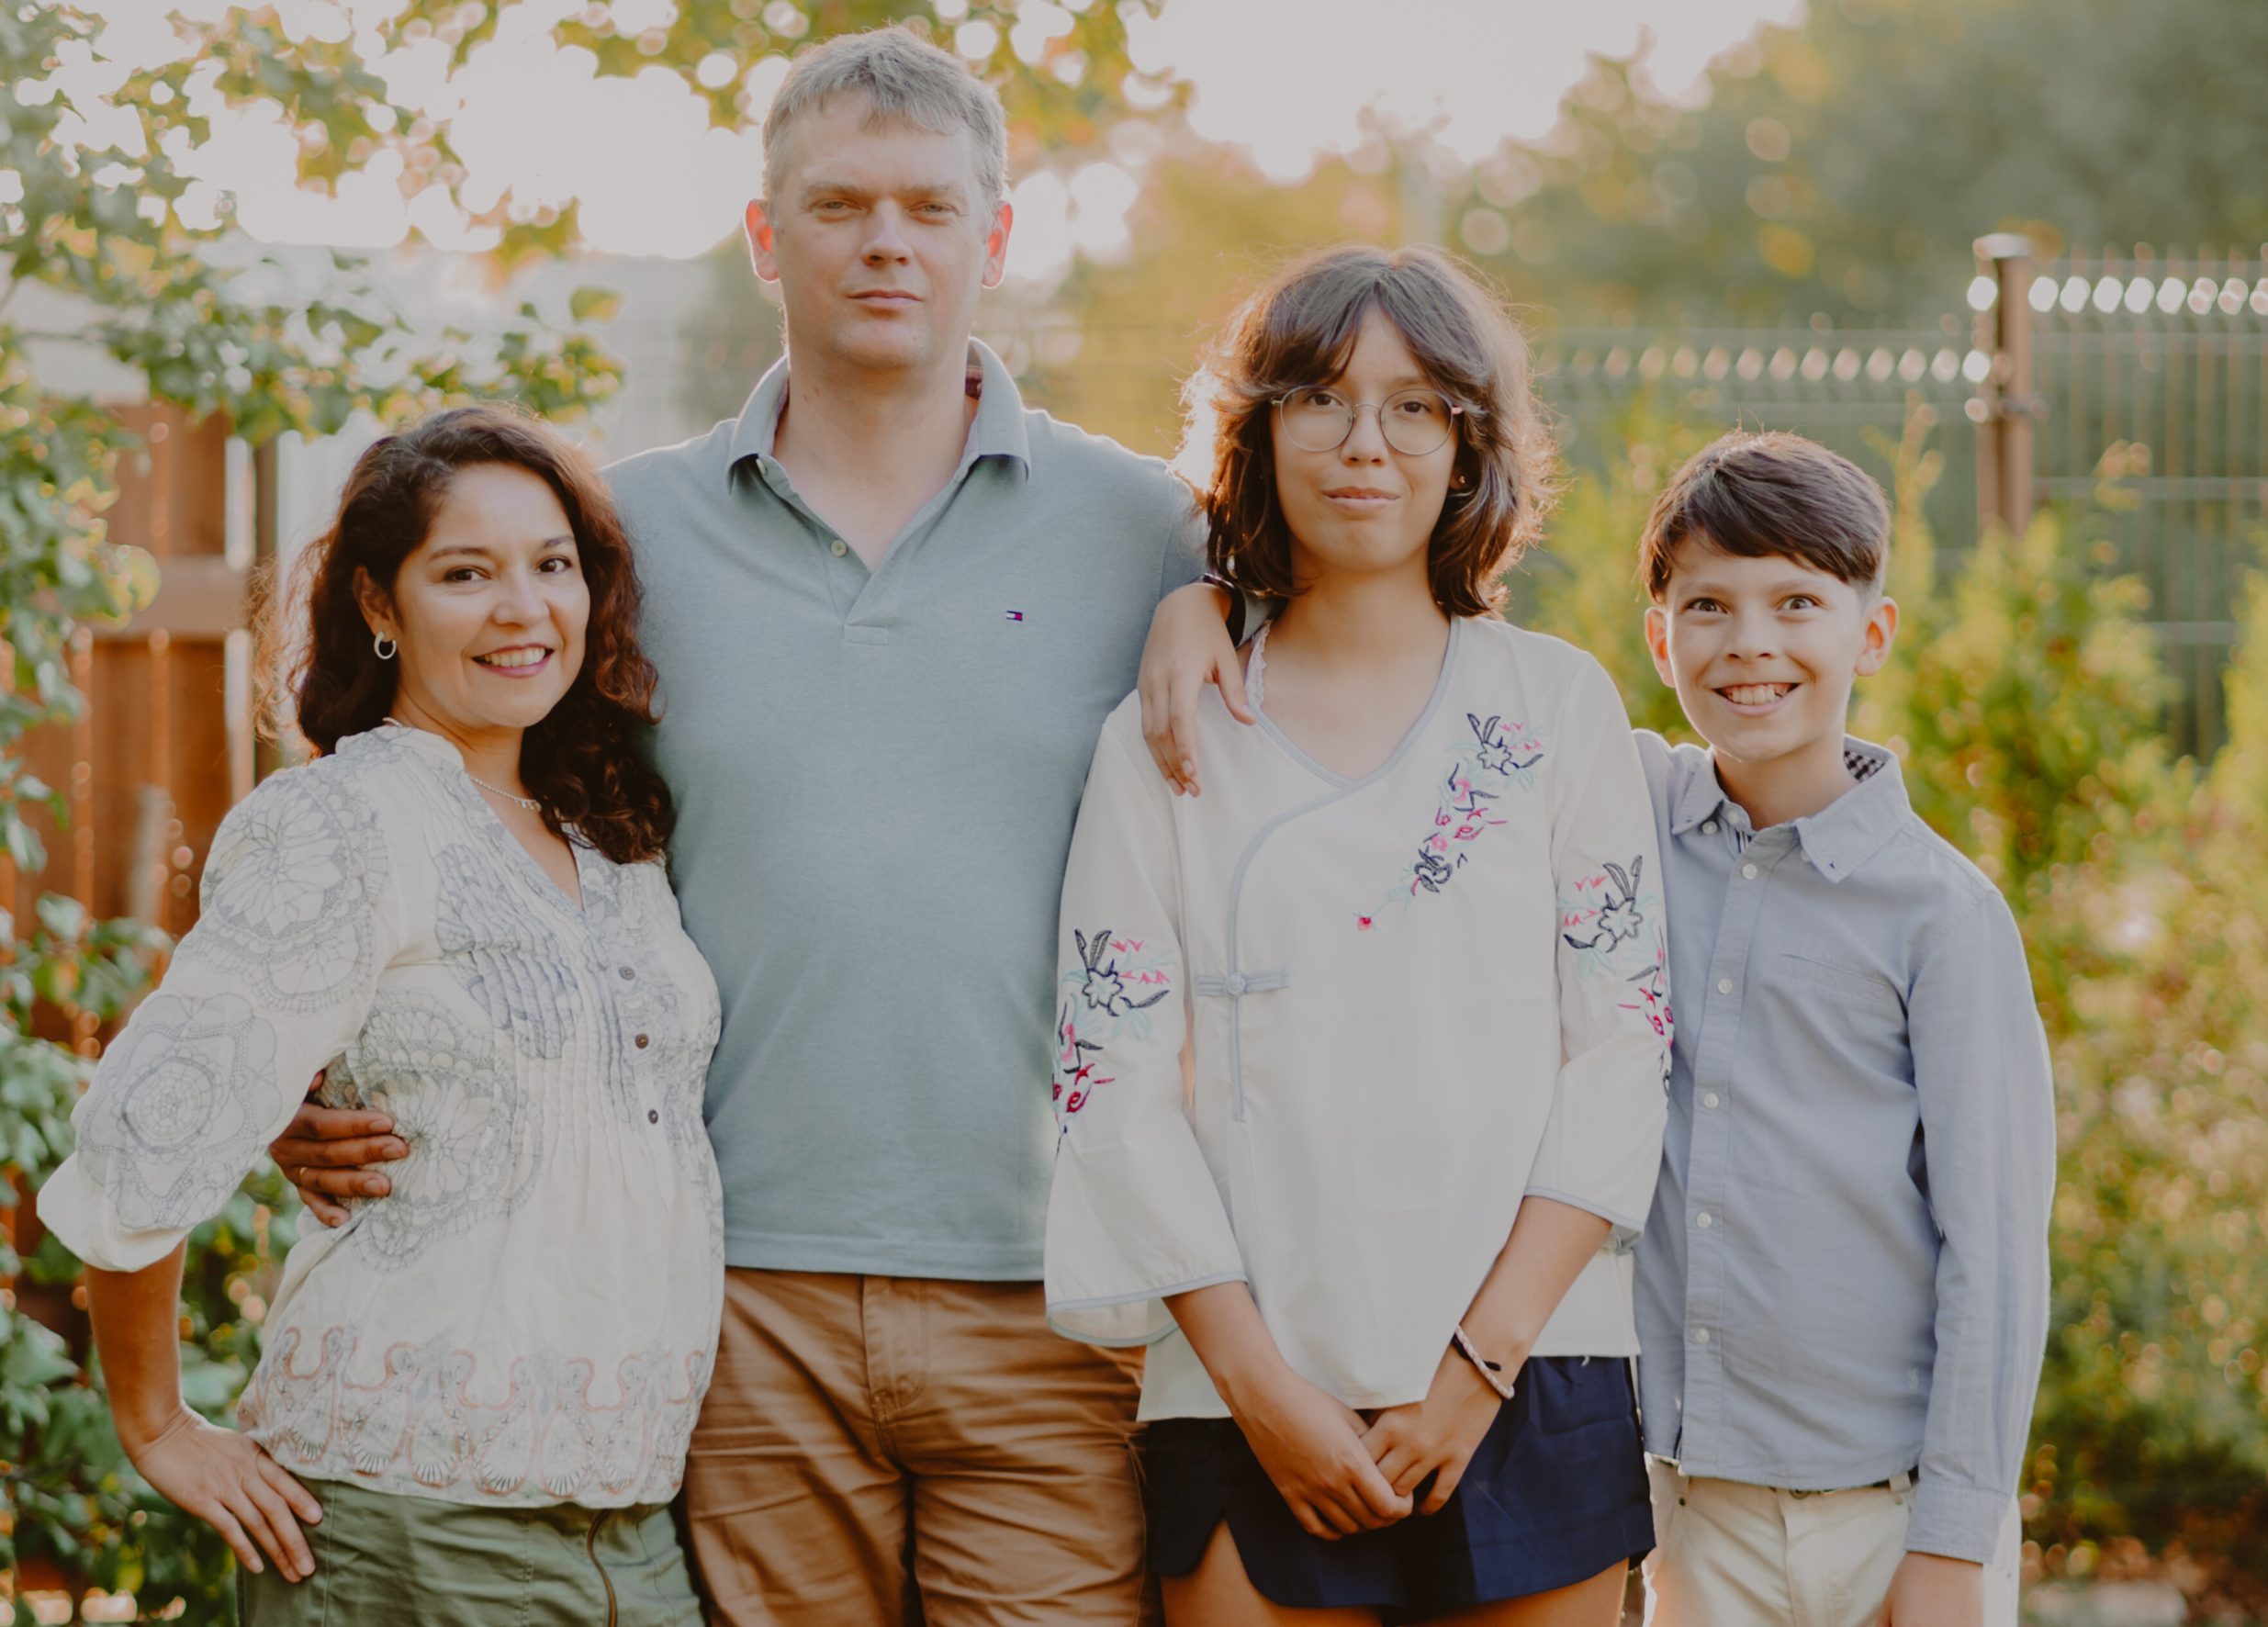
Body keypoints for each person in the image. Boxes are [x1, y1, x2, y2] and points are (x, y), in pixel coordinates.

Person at [271, 26, 1255, 1624]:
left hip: (1059, 1288)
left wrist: (1215, 597)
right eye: (839, 204)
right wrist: (317, 1063)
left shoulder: (1149, 531)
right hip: (725, 1297)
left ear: (993, 239)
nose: (885, 243)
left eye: (932, 210)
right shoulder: (617, 537)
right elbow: (461, 808)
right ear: (763, 234)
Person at [1043, 243, 1669, 1625]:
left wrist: (1477, 1372)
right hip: (1239, 1386)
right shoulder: (1167, 731)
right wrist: (1263, 1394)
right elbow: (1110, 1081)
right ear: (1254, 434)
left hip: (1530, 1371)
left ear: (1470, 446)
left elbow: (1621, 1054)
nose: (1363, 443)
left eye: (1414, 406)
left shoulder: (1555, 709)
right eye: (1316, 398)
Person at [37, 408, 724, 1624]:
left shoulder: (607, 836)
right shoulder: (344, 825)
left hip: (633, 1520)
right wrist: (154, 1423)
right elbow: (154, 1120)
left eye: (551, 564)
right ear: (379, 605)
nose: (523, 608)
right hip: (403, 1519)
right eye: (466, 573)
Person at [1627, 432, 2054, 1627]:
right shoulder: (1625, 820)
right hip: (1695, 1515)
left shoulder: (1942, 915)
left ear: (1870, 634)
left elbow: (1995, 1249)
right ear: (1659, 638)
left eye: (1796, 602)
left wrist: (1953, 1542)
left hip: (1895, 1516)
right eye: (1706, 604)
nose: (1749, 642)